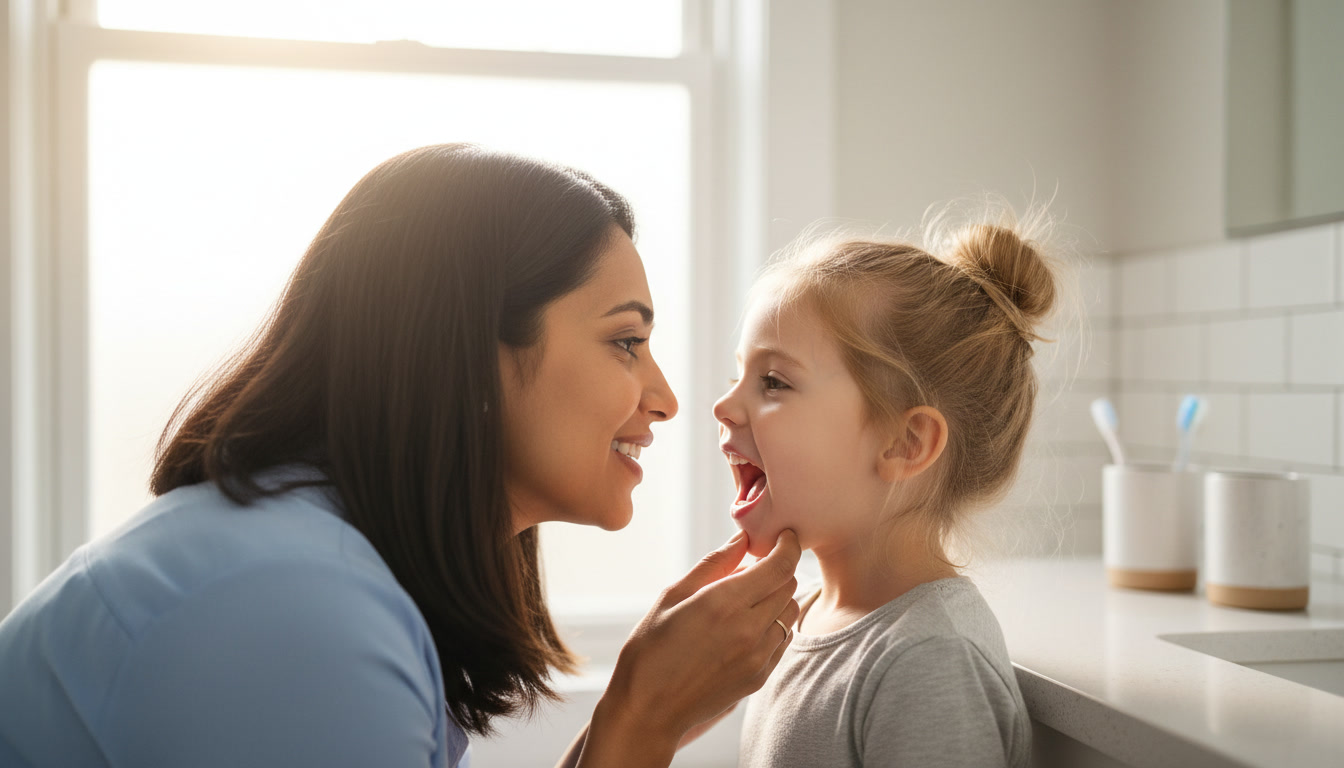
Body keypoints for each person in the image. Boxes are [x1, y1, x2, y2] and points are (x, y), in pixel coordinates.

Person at [0, 144, 801, 768]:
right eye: (625, 341)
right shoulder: (294, 607)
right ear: (467, 357)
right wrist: (644, 723)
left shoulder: (325, 570)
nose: (665, 397)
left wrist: (632, 710)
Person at [718, 209, 1061, 767]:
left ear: (906, 444)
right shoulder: (802, 617)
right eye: (738, 375)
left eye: (774, 382)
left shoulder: (928, 661)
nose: (724, 405)